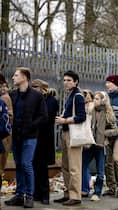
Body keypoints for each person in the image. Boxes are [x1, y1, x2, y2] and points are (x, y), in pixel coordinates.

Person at [5, 67, 48, 208]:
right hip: (16, 136)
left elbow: (43, 117)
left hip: (30, 136)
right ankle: (19, 195)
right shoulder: (12, 95)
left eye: (16, 75)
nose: (13, 77)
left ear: (25, 77)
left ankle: (29, 196)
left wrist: (30, 126)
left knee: (26, 164)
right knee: (18, 165)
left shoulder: (37, 96)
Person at [54, 70, 86, 206]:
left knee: (74, 167)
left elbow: (82, 117)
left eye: (69, 80)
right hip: (66, 133)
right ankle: (67, 193)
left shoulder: (78, 95)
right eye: (65, 80)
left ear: (76, 81)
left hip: (73, 135)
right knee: (66, 166)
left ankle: (75, 196)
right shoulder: (70, 95)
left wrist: (64, 120)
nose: (66, 82)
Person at [82, 91, 118, 201]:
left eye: (97, 99)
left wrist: (104, 133)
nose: (95, 101)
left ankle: (97, 192)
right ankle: (83, 188)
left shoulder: (108, 113)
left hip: (101, 145)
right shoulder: (90, 110)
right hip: (89, 143)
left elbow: (115, 130)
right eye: (94, 98)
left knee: (100, 171)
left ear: (103, 100)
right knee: (82, 165)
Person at [31, 79, 59, 205]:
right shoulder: (33, 99)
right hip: (33, 137)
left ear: (42, 88)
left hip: (44, 139)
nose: (33, 89)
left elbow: (47, 118)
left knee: (42, 167)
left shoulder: (51, 100)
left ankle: (45, 195)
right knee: (34, 166)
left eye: (35, 86)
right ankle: (36, 194)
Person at [0, 74, 13, 193]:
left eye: (4, 86)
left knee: (1, 163)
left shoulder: (5, 98)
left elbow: (9, 116)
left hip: (4, 135)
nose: (3, 88)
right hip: (5, 133)